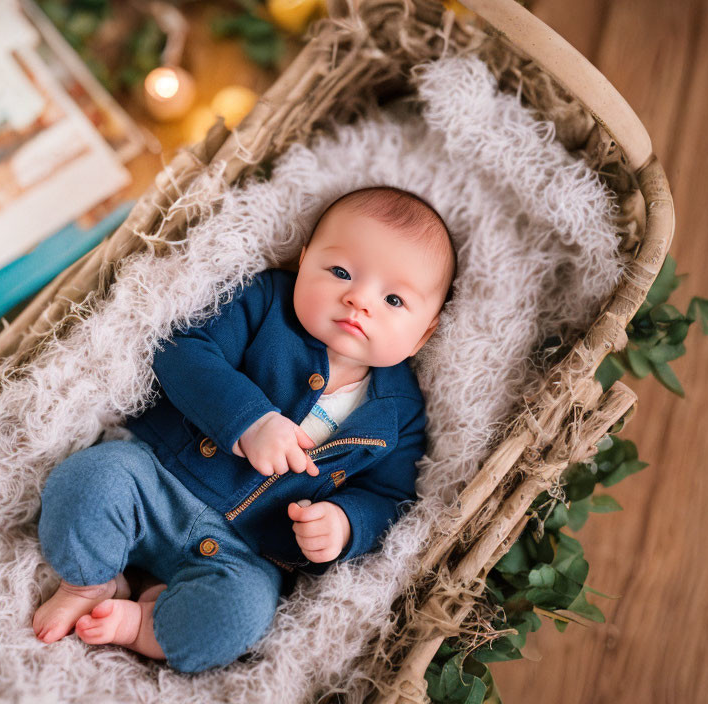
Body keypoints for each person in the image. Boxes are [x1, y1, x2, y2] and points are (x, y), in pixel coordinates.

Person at [31, 186, 458, 672]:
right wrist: (249, 421)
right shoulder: (265, 304)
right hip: (155, 478)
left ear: (424, 333)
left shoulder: (399, 413)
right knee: (88, 482)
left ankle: (143, 623)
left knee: (243, 613)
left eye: (394, 299)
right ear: (303, 263)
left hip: (244, 551)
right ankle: (87, 583)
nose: (359, 299)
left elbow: (390, 496)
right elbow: (182, 351)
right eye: (340, 272)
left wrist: (344, 523)